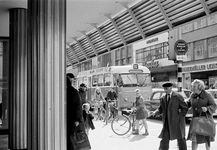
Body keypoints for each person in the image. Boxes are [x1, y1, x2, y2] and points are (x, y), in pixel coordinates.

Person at [151, 82, 188, 150]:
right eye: (164, 88)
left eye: (166, 88)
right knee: (164, 139)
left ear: (171, 88)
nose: (165, 90)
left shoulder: (177, 96)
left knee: (181, 139)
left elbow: (185, 108)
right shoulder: (163, 98)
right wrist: (155, 112)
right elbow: (161, 108)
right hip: (167, 122)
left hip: (177, 123)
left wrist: (179, 117)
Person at [187, 79, 217, 150]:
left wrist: (207, 108)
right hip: (196, 121)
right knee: (194, 139)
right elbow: (188, 103)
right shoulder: (192, 95)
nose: (192, 88)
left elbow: (214, 106)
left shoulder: (207, 95)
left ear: (200, 87)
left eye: (194, 86)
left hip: (206, 121)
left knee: (207, 139)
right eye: (192, 86)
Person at [66, 73, 88, 150]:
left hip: (72, 119)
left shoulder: (73, 91)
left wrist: (77, 119)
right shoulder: (73, 91)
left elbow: (77, 106)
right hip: (71, 118)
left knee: (72, 137)